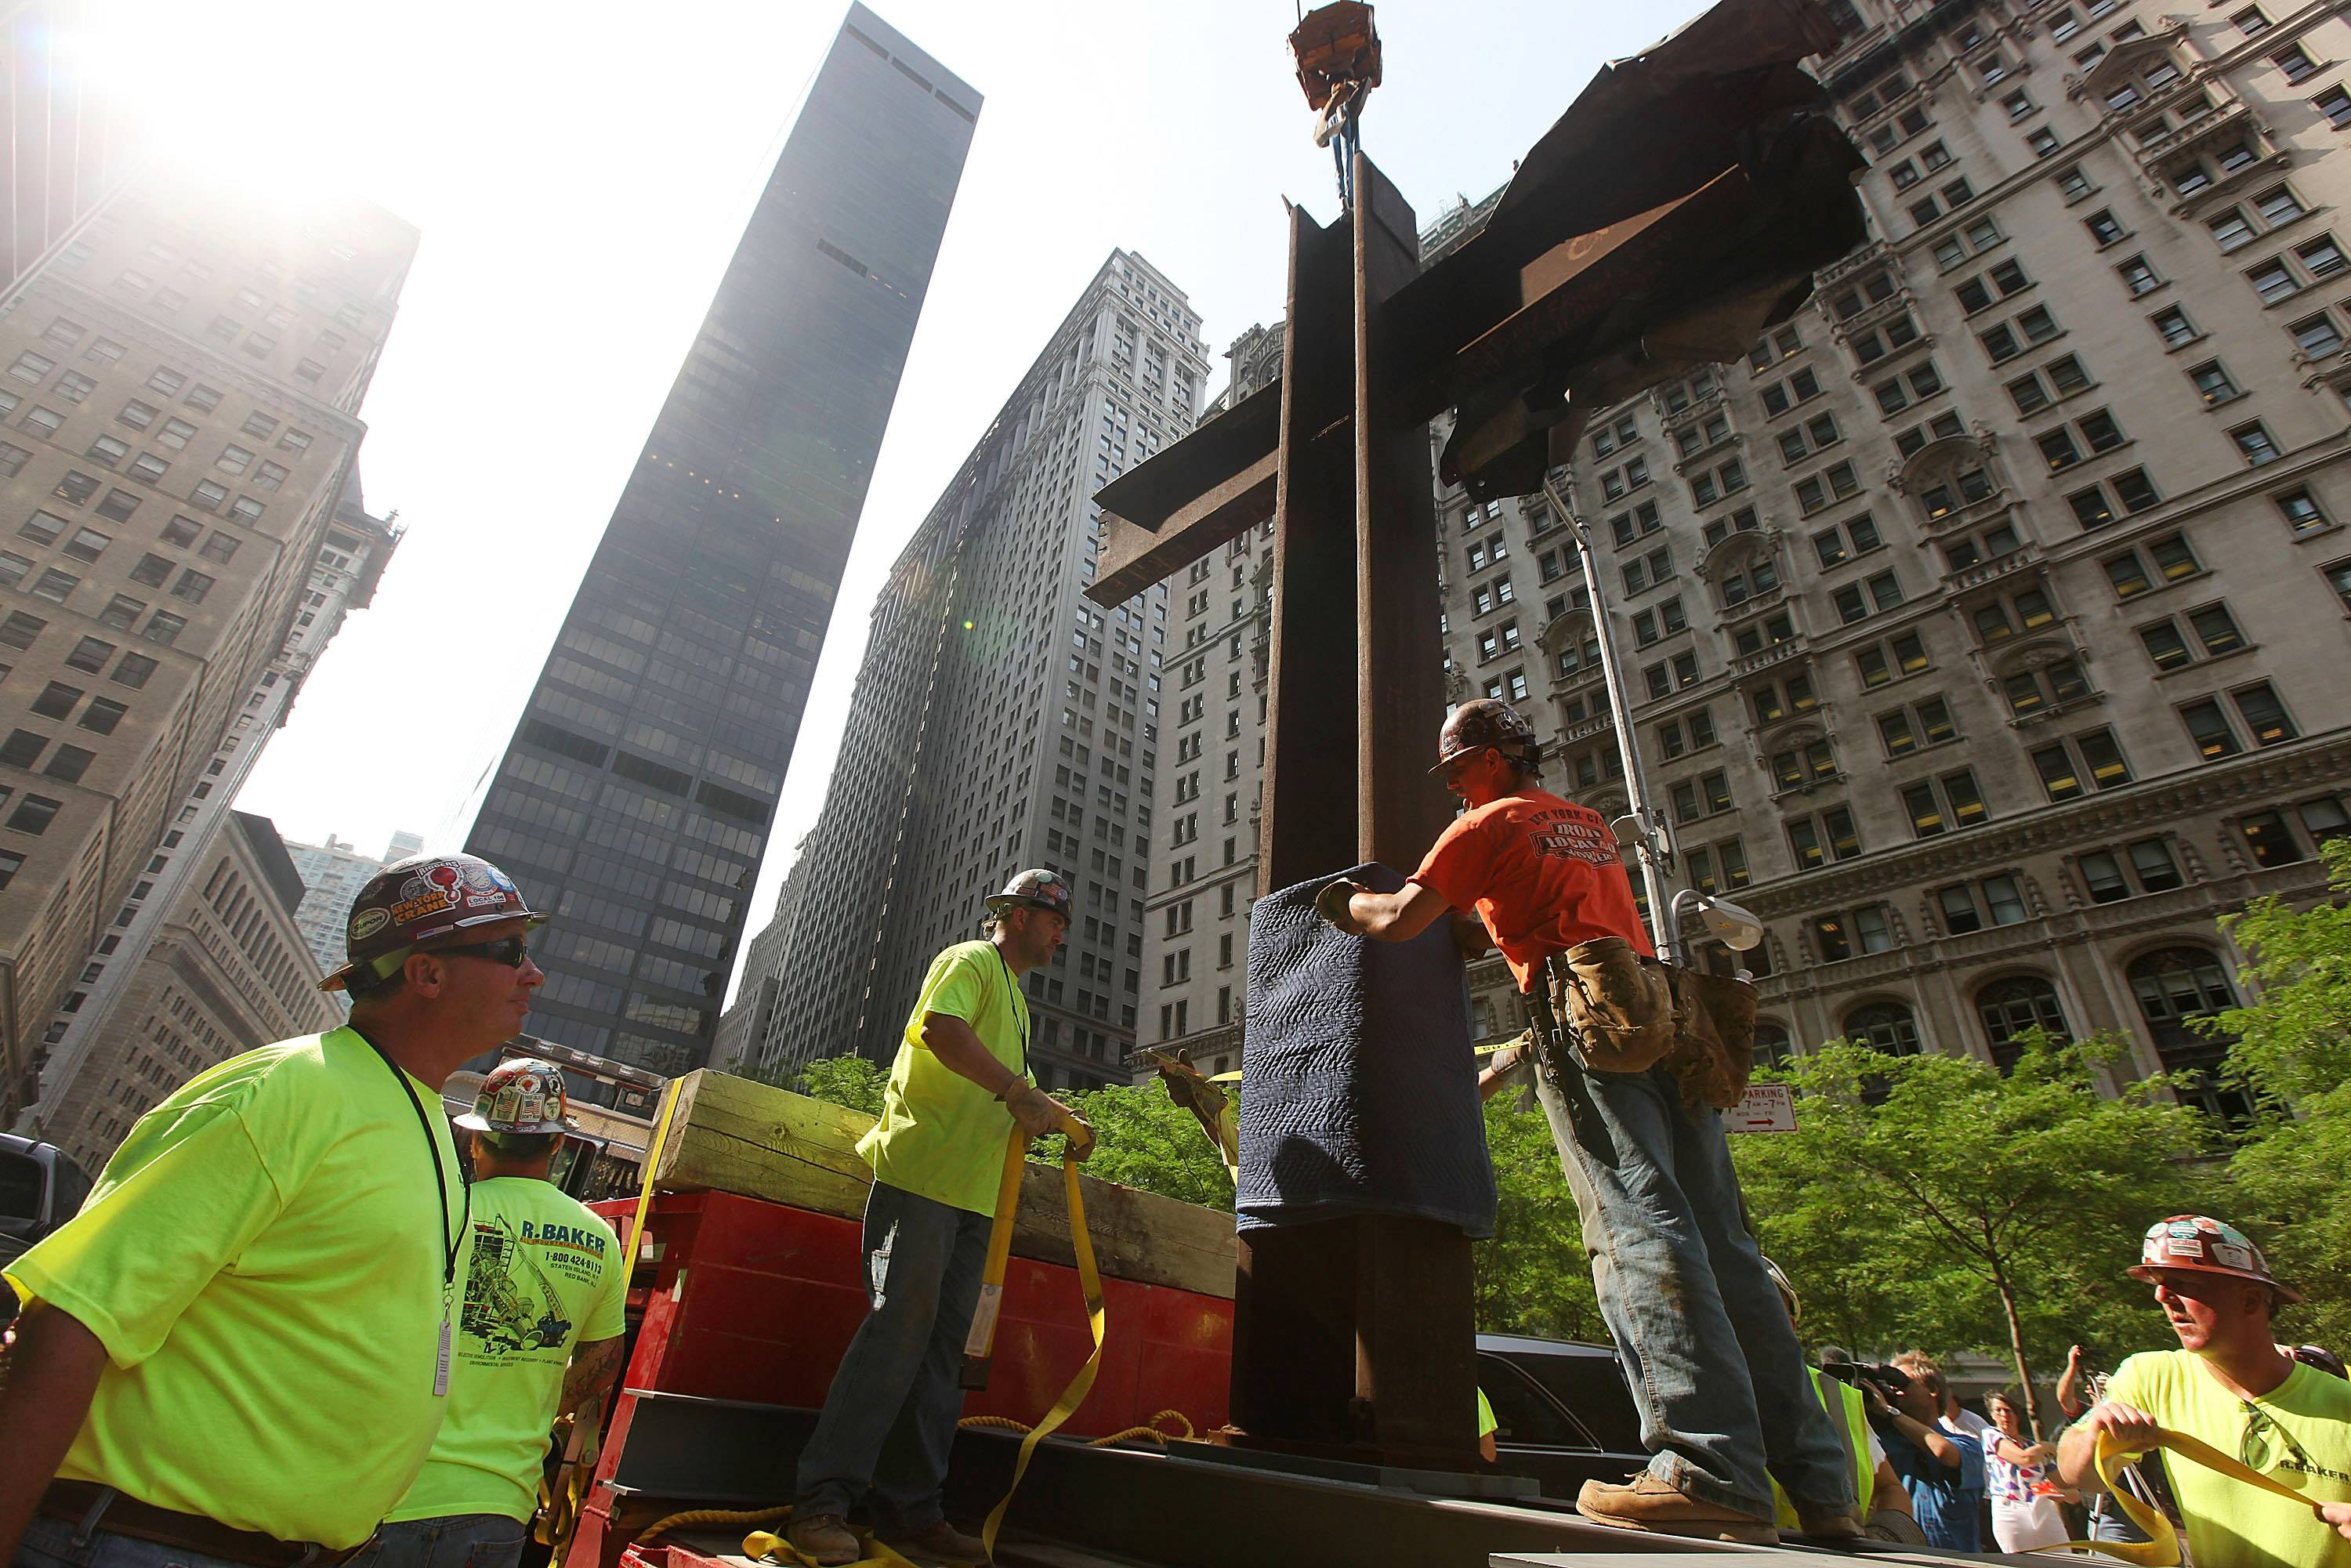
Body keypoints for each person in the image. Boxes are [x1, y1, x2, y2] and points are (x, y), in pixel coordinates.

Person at [1321, 698, 1857, 1545]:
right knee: (1730, 1250)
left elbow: (1396, 922)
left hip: (1586, 1021)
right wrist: (1475, 929)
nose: (1452, 785)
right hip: (1666, 1014)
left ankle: (1706, 1468)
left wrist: (1340, 902)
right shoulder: (1585, 823)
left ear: (1492, 758)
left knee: (1638, 1228)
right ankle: (1824, 1496)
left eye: (1456, 767)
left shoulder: (1486, 823)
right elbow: (1533, 906)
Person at [1, 853, 545, 1567]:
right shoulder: (288, 1090)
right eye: (509, 952)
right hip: (142, 1543)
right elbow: (76, 1315)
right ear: (428, 973)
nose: (532, 974)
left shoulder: (423, 1122)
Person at [788, 870, 1094, 1568]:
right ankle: (823, 1503)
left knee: (947, 1360)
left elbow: (993, 1088)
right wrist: (1020, 1090)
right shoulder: (972, 962)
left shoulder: (1016, 1002)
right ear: (1018, 915)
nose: (1060, 933)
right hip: (923, 1177)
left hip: (977, 1199)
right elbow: (940, 1030)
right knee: (899, 1331)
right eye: (1053, 919)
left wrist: (1046, 1109)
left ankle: (911, 1512)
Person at [363, 1059, 628, 1568]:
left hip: (389, 1487)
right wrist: (543, 1396)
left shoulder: (438, 1210)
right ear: (556, 1144)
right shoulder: (600, 1239)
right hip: (499, 1504)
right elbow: (603, 1359)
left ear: (476, 1141)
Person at [2060, 1215, 2351, 1568]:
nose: (2162, 1296)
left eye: (2183, 1283)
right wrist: (2096, 1435)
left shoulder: (2343, 1397)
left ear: (2250, 1301)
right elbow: (2081, 1476)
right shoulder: (2152, 1376)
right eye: (2159, 1284)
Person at [1759, 1262, 1922, 1544]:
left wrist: (1887, 1534)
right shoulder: (1680, 1393)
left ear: (1792, 1326)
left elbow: (1889, 1488)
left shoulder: (1837, 1396)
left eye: (1768, 1307)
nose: (1754, 1321)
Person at [1867, 1358, 1983, 1551]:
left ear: (1932, 1389)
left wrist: (1889, 1412)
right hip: (1901, 1558)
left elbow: (1944, 1452)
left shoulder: (1968, 1445)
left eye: (1902, 1381)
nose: (1894, 1389)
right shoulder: (1880, 1442)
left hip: (1956, 1561)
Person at [1983, 1387, 2074, 1553]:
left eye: (2008, 1410)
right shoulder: (1991, 1435)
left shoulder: (2033, 1447)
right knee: (2019, 1561)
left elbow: (2072, 1492)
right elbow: (2024, 1459)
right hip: (2010, 1507)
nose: (2004, 1415)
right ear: (1992, 1414)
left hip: (2042, 1507)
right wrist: (2047, 1446)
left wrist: (2060, 1493)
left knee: (2064, 1558)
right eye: (1998, 1410)